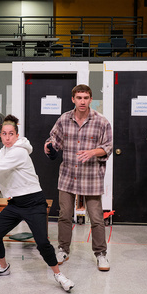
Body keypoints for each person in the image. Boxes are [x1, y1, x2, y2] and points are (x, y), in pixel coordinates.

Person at [0, 115, 75, 292]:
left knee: (42, 243)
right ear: (0, 135)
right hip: (15, 204)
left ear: (17, 135)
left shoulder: (19, 151)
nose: (7, 137)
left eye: (11, 134)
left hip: (34, 202)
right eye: (4, 134)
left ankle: (58, 275)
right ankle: (3, 266)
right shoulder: (3, 151)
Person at [44, 84, 113, 272]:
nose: (82, 101)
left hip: (91, 178)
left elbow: (108, 147)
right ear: (73, 99)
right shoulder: (64, 119)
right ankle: (63, 249)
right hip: (68, 176)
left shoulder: (102, 122)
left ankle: (101, 254)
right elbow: (54, 140)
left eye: (86, 98)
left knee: (97, 218)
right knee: (64, 215)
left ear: (91, 100)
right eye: (79, 98)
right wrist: (48, 146)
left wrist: (92, 152)